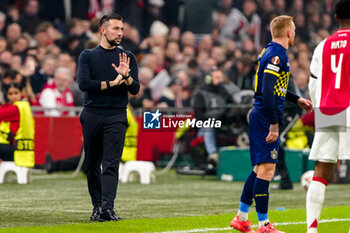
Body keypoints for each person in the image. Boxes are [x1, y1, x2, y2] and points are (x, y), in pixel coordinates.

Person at [230, 15, 312, 233]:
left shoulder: (269, 50)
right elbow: (267, 89)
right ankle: (264, 224)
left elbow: (275, 86)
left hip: (262, 114)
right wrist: (274, 124)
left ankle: (241, 217)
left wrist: (296, 99)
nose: (294, 33)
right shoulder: (277, 54)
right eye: (293, 29)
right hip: (266, 116)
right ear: (287, 32)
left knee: (259, 169)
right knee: (266, 170)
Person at [77, 13, 140, 222]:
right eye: (116, 29)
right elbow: (84, 84)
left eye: (122, 29)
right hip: (92, 114)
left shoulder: (128, 56)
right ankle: (96, 206)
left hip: (116, 115)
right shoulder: (87, 55)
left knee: (111, 164)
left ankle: (107, 209)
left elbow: (136, 89)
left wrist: (127, 76)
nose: (120, 33)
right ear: (102, 30)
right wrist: (111, 84)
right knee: (92, 164)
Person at [306, 1, 350, 232]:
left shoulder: (323, 45)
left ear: (335, 18)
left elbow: (313, 84)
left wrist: (318, 109)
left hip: (327, 110)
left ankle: (311, 230)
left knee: (321, 173)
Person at [0, 83, 35, 168]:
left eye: (16, 93)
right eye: (10, 94)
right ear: (7, 95)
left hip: (16, 149)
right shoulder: (9, 106)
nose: (13, 96)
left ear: (21, 93)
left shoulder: (18, 108)